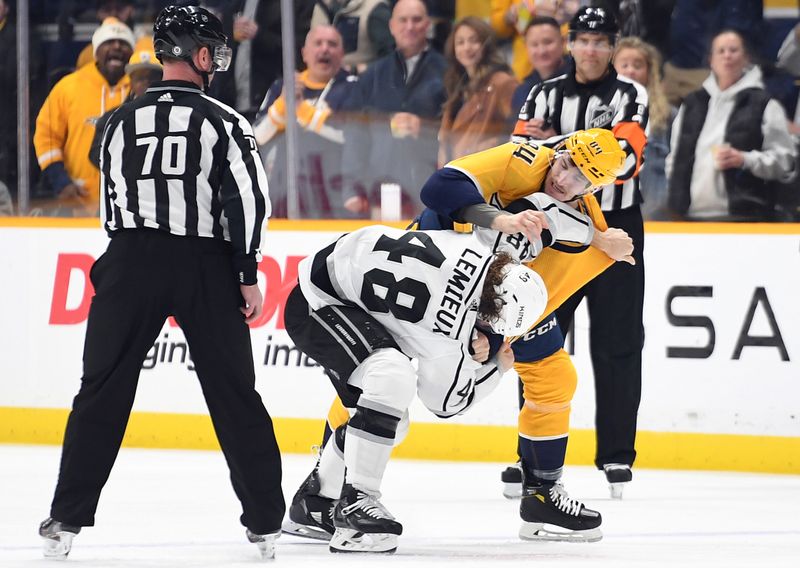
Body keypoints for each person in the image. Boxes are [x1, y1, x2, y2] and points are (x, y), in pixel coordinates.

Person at [286, 129, 635, 545]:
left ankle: (542, 493)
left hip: (497, 292)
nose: (565, 180)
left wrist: (598, 237)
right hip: (443, 295)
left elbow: (559, 219)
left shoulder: (569, 212)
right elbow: (447, 402)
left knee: (554, 375)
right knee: (380, 386)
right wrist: (496, 363)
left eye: (581, 179)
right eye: (565, 166)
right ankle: (330, 495)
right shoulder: (521, 160)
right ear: (556, 152)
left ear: (594, 188)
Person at [37, 5, 284, 561]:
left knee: (101, 390)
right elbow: (247, 202)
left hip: (128, 261)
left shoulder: (116, 121)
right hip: (205, 265)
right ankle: (266, 521)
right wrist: (247, 273)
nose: (216, 61)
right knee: (233, 394)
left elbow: (110, 192)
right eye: (213, 50)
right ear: (199, 55)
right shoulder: (225, 122)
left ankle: (66, 519)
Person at [512, 6, 648, 498]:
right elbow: (523, 155)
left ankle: (616, 455)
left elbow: (626, 162)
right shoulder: (542, 92)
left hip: (617, 224)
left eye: (600, 41)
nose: (591, 49)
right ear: (570, 44)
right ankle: (529, 452)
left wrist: (560, 146)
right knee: (538, 337)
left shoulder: (632, 93)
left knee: (618, 341)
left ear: (613, 46)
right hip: (555, 226)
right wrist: (590, 149)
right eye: (583, 40)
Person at [666, 29, 796, 222]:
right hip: (688, 217)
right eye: (721, 51)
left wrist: (745, 159)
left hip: (744, 218)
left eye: (733, 50)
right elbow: (674, 158)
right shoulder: (692, 103)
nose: (727, 56)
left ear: (746, 58)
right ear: (711, 60)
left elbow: (784, 162)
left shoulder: (765, 104)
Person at [340, 0, 446, 219]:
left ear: (427, 24)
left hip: (432, 186)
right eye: (403, 20)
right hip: (382, 187)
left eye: (416, 20)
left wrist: (427, 128)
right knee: (384, 250)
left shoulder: (447, 72)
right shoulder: (373, 75)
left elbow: (459, 127)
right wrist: (352, 186)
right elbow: (355, 134)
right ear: (391, 26)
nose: (410, 26)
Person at [252, 25, 358, 218]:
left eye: (332, 44)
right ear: (304, 53)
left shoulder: (353, 87)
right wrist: (282, 106)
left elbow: (349, 136)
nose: (324, 49)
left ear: (342, 54)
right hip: (283, 188)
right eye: (318, 43)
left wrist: (302, 110)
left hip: (333, 189)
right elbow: (257, 136)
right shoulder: (283, 87)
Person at [33, 17, 134, 216]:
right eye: (109, 43)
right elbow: (47, 136)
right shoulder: (68, 87)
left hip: (128, 206)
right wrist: (60, 182)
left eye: (123, 43)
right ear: (96, 51)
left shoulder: (140, 88)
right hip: (77, 204)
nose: (117, 47)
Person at [208, 0, 315, 121]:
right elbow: (221, 46)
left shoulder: (297, 4)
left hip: (271, 102)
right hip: (228, 100)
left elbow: (300, 51)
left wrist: (259, 35)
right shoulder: (234, 4)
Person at [438, 16, 518, 166]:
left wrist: (490, 147)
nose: (467, 47)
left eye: (474, 41)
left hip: (483, 173)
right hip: (453, 173)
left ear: (486, 45)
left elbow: (517, 132)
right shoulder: (456, 85)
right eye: (460, 42)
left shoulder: (502, 82)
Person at [614, 36, 674, 220]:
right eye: (624, 65)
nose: (631, 70)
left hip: (656, 215)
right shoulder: (595, 112)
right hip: (610, 215)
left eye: (638, 65)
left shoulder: (668, 115)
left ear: (649, 72)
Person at [88, 39, 163, 168]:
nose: (146, 82)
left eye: (153, 77)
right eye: (139, 77)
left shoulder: (176, 114)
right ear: (131, 82)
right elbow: (96, 155)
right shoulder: (112, 118)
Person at [510, 16, 569, 120]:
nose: (541, 51)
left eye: (548, 42)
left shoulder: (580, 80)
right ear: (526, 48)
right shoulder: (522, 91)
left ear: (563, 42)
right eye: (534, 44)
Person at [311, 0, 394, 73]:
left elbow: (390, 59)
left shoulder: (375, 8)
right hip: (320, 81)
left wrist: (357, 70)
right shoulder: (321, 5)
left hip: (359, 83)